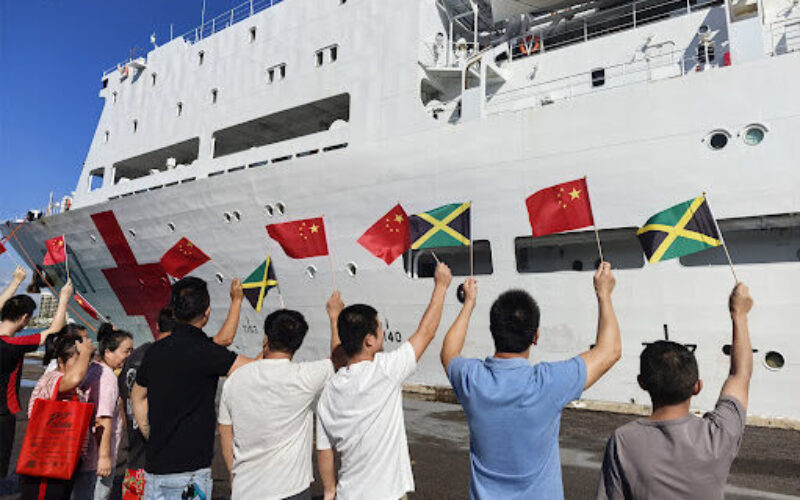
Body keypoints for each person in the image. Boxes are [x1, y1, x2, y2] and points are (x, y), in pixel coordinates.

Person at [439, 262, 621, 500]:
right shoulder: (549, 382)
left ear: (493, 330)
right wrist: (604, 293)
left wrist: (469, 304)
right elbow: (611, 351)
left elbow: (449, 351)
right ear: (535, 336)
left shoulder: (472, 379)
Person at [596, 283, 754, 500]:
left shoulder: (623, 441)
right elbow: (740, 374)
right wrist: (739, 315)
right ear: (697, 387)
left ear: (642, 383)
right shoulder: (718, 435)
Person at [316, 262, 453, 500]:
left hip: (348, 493)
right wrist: (441, 286)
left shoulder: (330, 389)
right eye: (380, 329)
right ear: (369, 340)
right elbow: (426, 332)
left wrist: (329, 490)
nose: (383, 333)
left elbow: (324, 449)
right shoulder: (385, 370)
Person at [131, 277, 252, 500]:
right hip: (191, 472)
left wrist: (148, 431)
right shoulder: (205, 352)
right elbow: (252, 368)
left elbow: (137, 395)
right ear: (206, 313)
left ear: (174, 313)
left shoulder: (155, 352)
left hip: (156, 468)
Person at [218, 292, 345, 500]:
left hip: (246, 489)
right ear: (297, 344)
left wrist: (234, 478)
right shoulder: (304, 377)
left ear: (266, 339)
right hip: (290, 489)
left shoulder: (235, 380)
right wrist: (335, 316)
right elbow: (339, 360)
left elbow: (225, 433)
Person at [1, 272, 73, 480]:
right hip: (2, 414)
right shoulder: (12, 344)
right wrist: (65, 297)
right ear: (25, 318)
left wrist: (15, 282)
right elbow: (54, 330)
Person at [20, 331, 95, 500]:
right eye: (76, 360)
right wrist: (84, 353)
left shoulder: (74, 387)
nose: (83, 365)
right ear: (60, 361)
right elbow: (75, 377)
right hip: (47, 458)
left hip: (64, 459)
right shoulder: (53, 378)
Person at [72, 329, 134, 500]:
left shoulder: (92, 369)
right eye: (125, 351)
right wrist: (105, 457)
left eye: (131, 351)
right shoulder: (108, 378)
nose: (129, 356)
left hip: (84, 452)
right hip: (96, 457)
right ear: (108, 352)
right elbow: (103, 418)